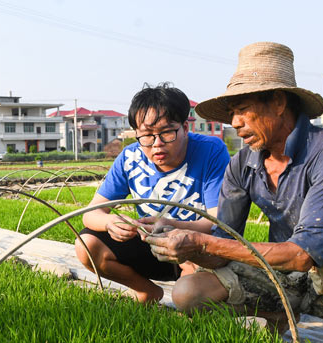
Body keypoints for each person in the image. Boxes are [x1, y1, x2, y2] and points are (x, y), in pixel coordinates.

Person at [144, 42, 323, 343]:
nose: (235, 122)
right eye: (232, 114)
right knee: (187, 293)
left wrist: (203, 241)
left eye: (243, 110)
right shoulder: (243, 164)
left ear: (279, 102)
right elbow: (227, 243)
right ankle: (279, 317)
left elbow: (306, 252)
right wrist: (192, 248)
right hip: (283, 268)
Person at [75, 83, 230, 303]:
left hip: (194, 248)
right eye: (147, 136)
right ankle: (146, 291)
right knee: (87, 245)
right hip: (150, 243)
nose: (157, 145)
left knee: (187, 298)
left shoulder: (211, 151)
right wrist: (111, 222)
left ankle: (188, 292)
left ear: (185, 128)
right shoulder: (130, 158)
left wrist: (172, 225)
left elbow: (217, 223)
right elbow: (90, 214)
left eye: (167, 133)